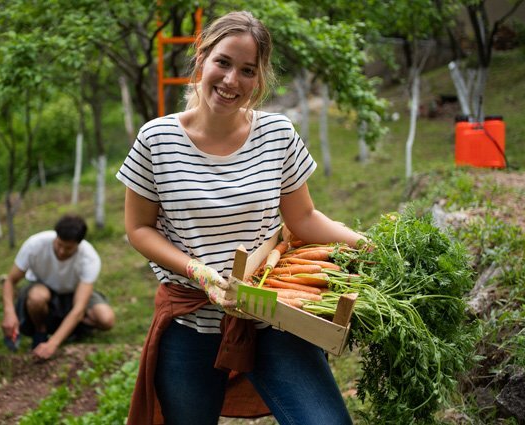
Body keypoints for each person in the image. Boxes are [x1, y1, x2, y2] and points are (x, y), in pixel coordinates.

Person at [116, 10, 369, 425]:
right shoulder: (155, 139)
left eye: (247, 70)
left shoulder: (277, 133)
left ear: (260, 78)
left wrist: (365, 243)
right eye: (224, 62)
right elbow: (138, 229)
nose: (232, 80)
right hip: (191, 321)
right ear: (202, 59)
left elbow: (304, 219)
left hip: (273, 316)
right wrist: (196, 270)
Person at [0, 214, 115, 360]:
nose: (61, 251)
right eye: (59, 244)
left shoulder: (89, 258)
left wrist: (53, 344)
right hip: (42, 288)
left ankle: (69, 330)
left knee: (106, 319)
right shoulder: (35, 245)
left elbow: (79, 308)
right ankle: (40, 331)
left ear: (79, 244)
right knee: (37, 297)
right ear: (56, 236)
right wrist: (9, 313)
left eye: (68, 248)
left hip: (72, 292)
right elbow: (10, 281)